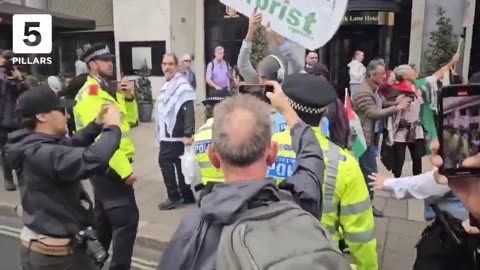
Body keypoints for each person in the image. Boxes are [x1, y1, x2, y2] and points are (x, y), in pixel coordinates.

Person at [158, 82, 350, 270]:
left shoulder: (193, 233)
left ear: (213, 157)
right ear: (272, 153)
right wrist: (286, 109)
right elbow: (311, 157)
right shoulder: (302, 202)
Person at [268, 73, 378, 270]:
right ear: (325, 111)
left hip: (265, 256)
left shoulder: (263, 148)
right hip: (320, 260)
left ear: (283, 105)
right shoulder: (345, 163)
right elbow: (360, 233)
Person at [5, 86, 122, 270]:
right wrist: (113, 127)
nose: (67, 116)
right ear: (42, 116)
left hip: (62, 252)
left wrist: (97, 124)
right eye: (61, 111)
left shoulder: (37, 144)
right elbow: (92, 159)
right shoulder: (40, 153)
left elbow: (71, 145)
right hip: (54, 260)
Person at [74, 43, 139, 270]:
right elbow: (104, 136)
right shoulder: (91, 94)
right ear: (92, 65)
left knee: (104, 224)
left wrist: (128, 98)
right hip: (109, 168)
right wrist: (125, 170)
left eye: (111, 59)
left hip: (107, 166)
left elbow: (128, 121)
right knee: (126, 221)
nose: (110, 63)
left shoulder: (105, 90)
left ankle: (91, 265)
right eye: (105, 60)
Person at [353, 59, 411, 217]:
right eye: (382, 74)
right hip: (363, 138)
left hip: (371, 135)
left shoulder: (374, 88)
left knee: (365, 171)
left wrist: (394, 102)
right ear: (372, 75)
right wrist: (396, 107)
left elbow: (381, 104)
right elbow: (373, 113)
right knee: (371, 171)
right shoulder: (364, 91)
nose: (385, 76)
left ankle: (361, 202)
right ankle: (367, 206)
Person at [156, 53, 196, 210]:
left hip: (177, 135)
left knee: (165, 161)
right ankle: (187, 195)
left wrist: (188, 133)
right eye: (164, 64)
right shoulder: (166, 85)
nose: (167, 67)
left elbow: (188, 111)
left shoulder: (182, 86)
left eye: (170, 64)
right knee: (180, 165)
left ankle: (174, 196)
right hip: (167, 135)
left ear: (177, 66)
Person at [191, 89, 231, 201]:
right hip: (231, 189)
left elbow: (193, 170)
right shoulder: (234, 130)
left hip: (207, 192)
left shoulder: (199, 133)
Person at [0, 49, 29, 191]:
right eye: (5, 58)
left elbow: (29, 92)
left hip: (18, 118)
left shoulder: (17, 74)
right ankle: (8, 178)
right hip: (2, 120)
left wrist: (20, 79)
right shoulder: (1, 76)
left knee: (21, 150)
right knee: (6, 151)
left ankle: (21, 176)